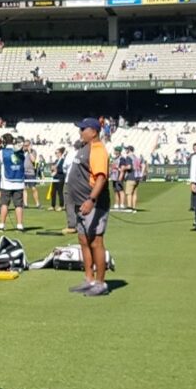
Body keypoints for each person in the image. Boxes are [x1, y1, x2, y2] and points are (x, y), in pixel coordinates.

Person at [65, 118, 112, 295]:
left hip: (93, 203)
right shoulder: (85, 148)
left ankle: (100, 283)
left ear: (93, 131)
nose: (80, 132)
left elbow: (101, 178)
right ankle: (89, 279)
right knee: (84, 240)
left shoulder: (98, 150)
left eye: (83, 129)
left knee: (95, 242)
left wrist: (91, 200)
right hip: (80, 203)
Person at [0, 134, 26, 232]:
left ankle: (2, 225)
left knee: (4, 204)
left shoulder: (2, 152)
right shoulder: (21, 152)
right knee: (18, 205)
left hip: (6, 182)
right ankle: (20, 225)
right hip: (19, 181)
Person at [124, 145, 144, 212]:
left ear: (129, 150)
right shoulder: (136, 157)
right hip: (137, 177)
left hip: (131, 176)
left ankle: (129, 207)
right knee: (134, 193)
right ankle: (134, 207)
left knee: (129, 193)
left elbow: (129, 167)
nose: (125, 150)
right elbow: (143, 165)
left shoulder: (128, 157)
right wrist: (141, 174)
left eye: (126, 149)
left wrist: (123, 168)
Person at [48, 146, 67, 212]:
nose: (56, 154)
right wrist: (52, 169)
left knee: (60, 192)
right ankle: (53, 205)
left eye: (57, 152)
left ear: (60, 153)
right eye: (55, 153)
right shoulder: (56, 161)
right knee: (53, 192)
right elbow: (53, 169)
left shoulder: (62, 161)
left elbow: (62, 170)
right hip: (55, 178)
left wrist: (56, 170)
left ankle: (61, 206)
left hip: (60, 178)